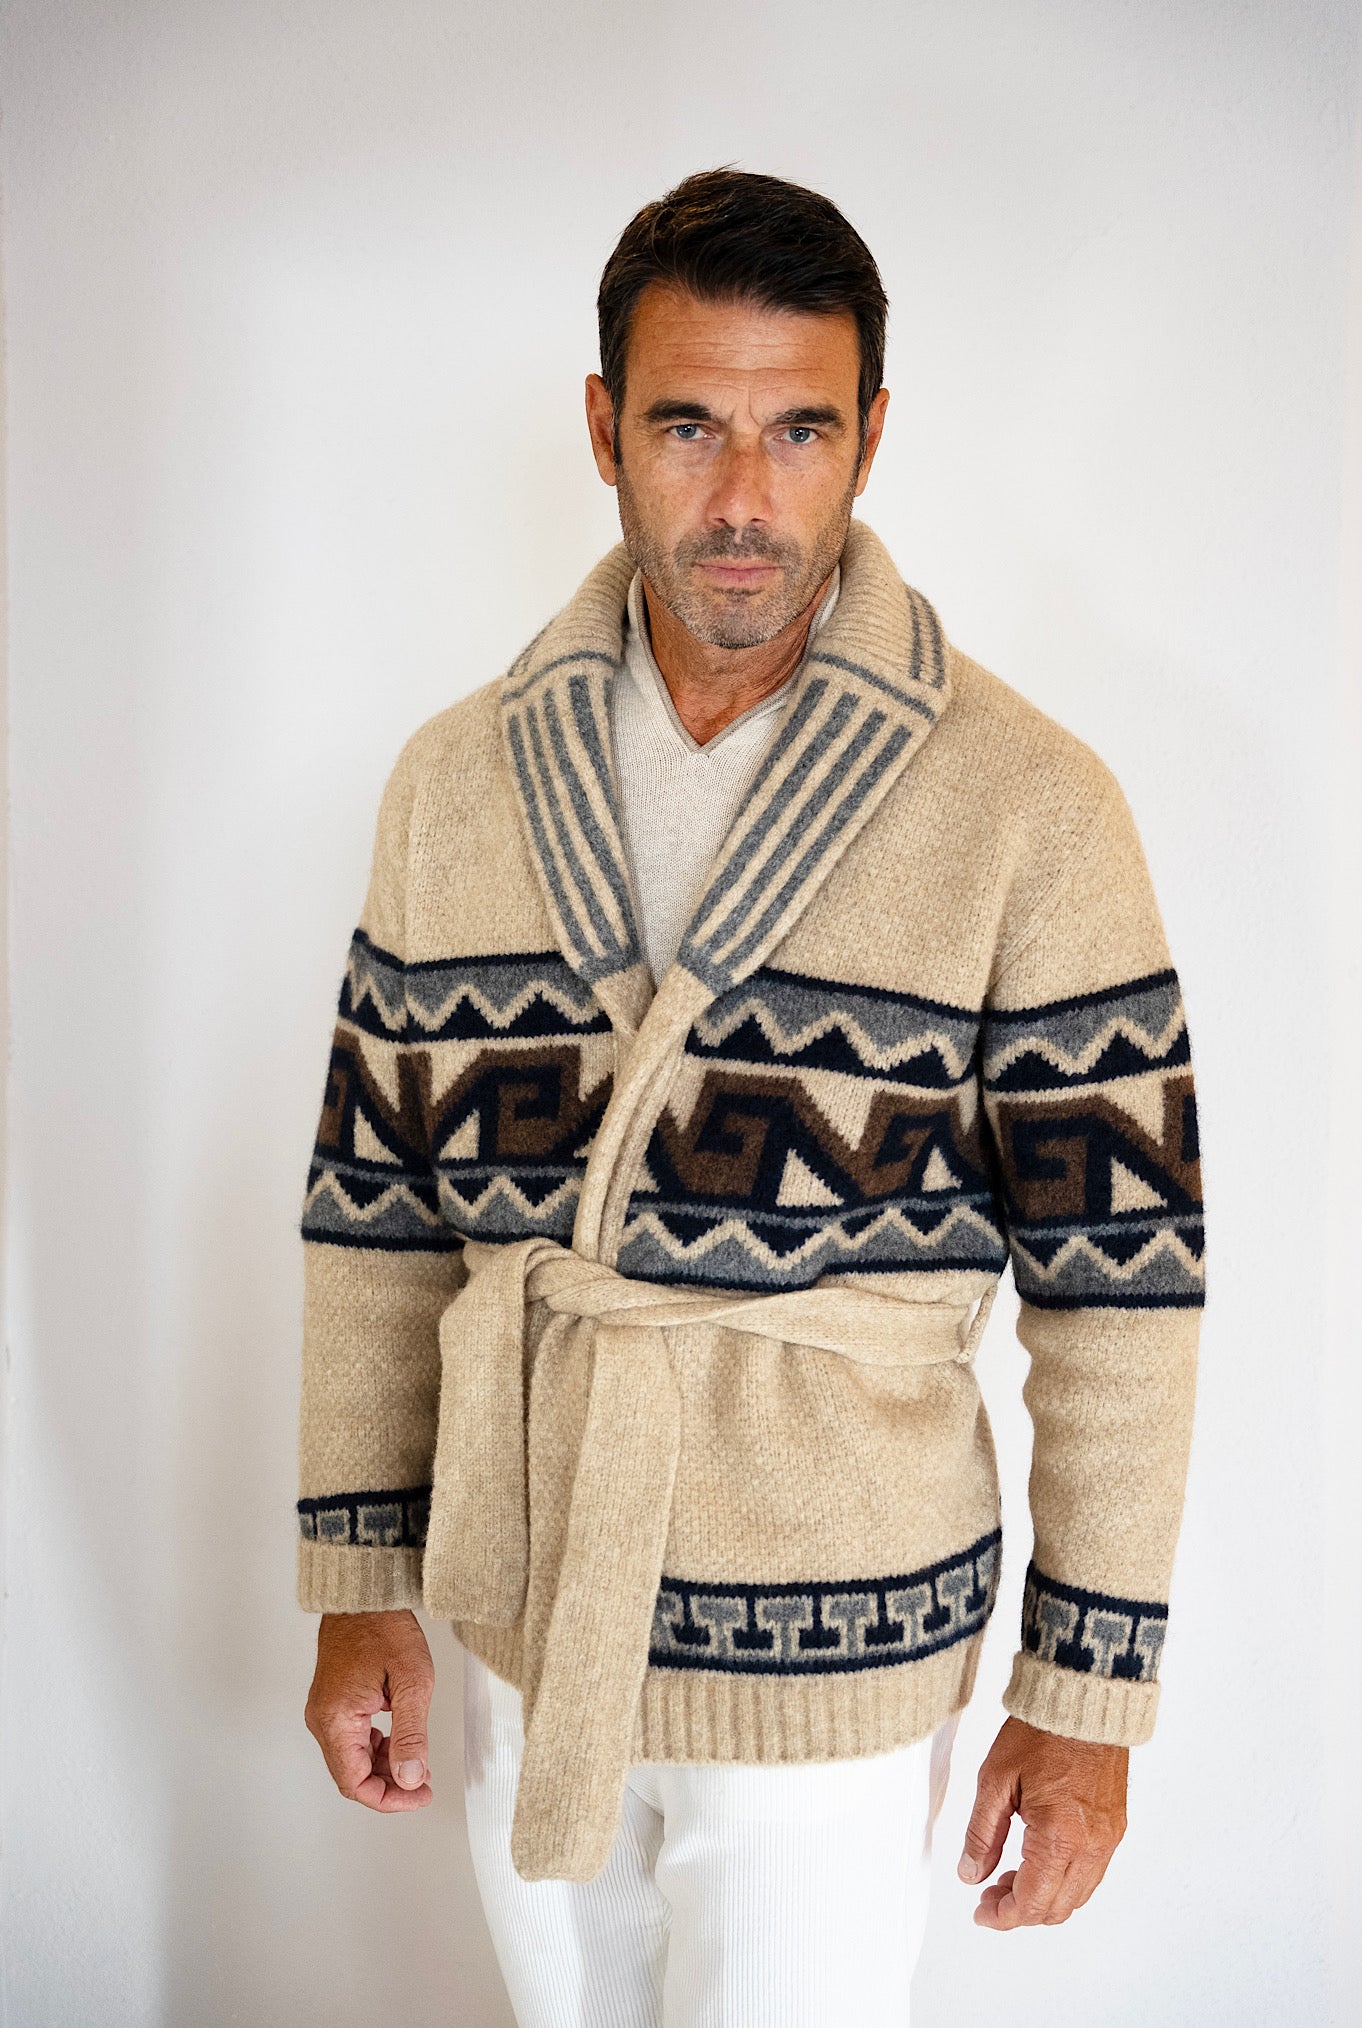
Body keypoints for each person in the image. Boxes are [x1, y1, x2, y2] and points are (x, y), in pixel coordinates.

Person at [296, 168, 1204, 2025]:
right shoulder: (457, 780)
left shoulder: (1026, 803)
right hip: (526, 1600)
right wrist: (359, 1577)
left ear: (869, 435)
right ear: (601, 429)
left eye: (798, 430)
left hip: (838, 1643)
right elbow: (372, 1220)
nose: (739, 497)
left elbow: (1122, 1289)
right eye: (685, 425)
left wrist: (1084, 1696)